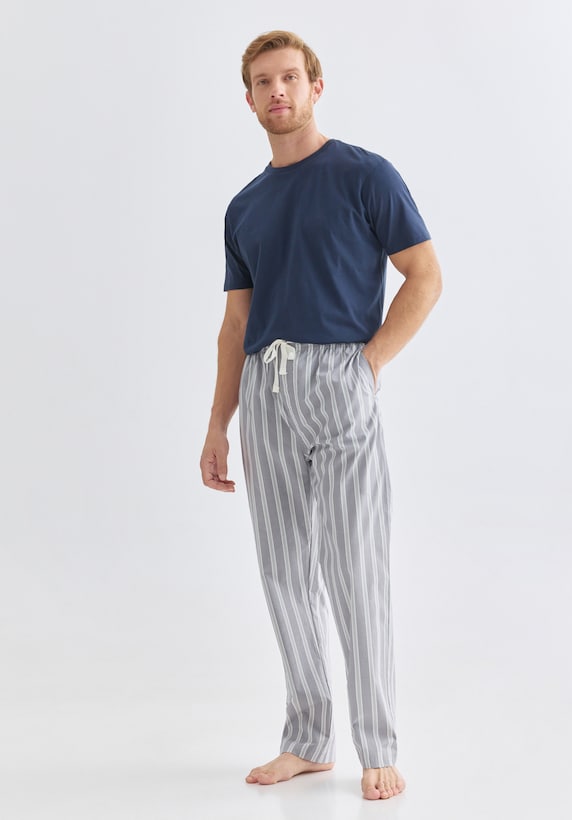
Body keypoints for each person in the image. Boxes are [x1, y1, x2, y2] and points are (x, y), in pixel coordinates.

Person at [200, 30, 442, 801]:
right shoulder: (244, 206)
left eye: (289, 78)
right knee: (282, 572)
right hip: (263, 392)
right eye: (262, 82)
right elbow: (236, 323)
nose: (277, 91)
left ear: (314, 86)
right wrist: (217, 424)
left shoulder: (364, 175)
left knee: (354, 568)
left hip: (340, 378)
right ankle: (306, 740)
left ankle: (377, 746)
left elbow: (423, 275)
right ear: (248, 100)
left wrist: (367, 366)